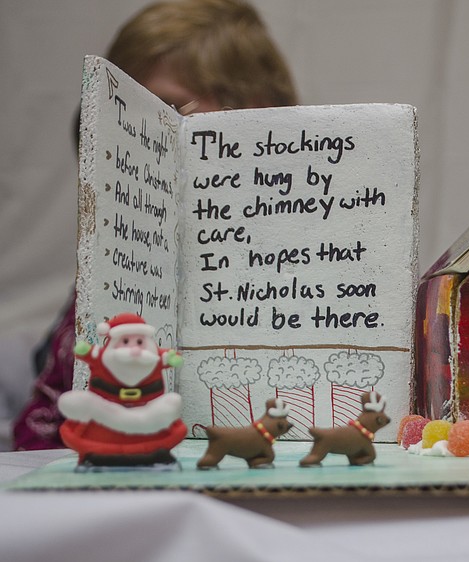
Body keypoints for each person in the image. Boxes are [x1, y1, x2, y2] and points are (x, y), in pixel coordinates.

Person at [13, 0, 298, 450]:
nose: (136, 131)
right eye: (120, 106)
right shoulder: (118, 264)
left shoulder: (294, 259)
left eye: (166, 106)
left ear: (254, 113)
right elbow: (46, 417)